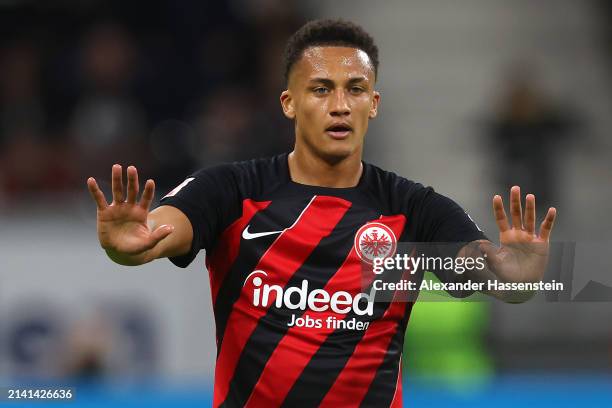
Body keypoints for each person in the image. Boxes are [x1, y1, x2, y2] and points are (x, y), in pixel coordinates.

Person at [86, 19, 556, 408]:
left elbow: (488, 272)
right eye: (321, 89)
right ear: (289, 103)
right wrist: (134, 242)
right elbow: (164, 231)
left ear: (372, 104)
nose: (339, 106)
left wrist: (515, 274)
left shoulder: (414, 209)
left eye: (355, 89)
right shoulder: (232, 190)